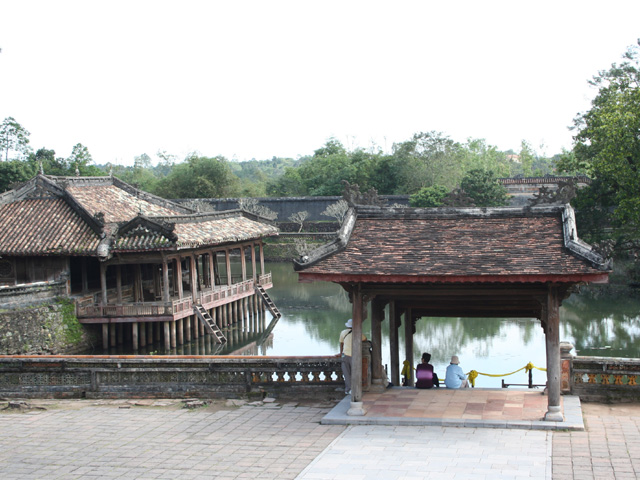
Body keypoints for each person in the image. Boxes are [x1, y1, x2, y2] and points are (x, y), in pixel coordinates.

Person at [339, 318, 366, 395]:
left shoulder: (343, 332)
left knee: (346, 373)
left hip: (345, 355)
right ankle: (356, 388)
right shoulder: (358, 333)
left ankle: (348, 389)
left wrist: (341, 353)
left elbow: (341, 343)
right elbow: (365, 339)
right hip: (354, 355)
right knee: (355, 372)